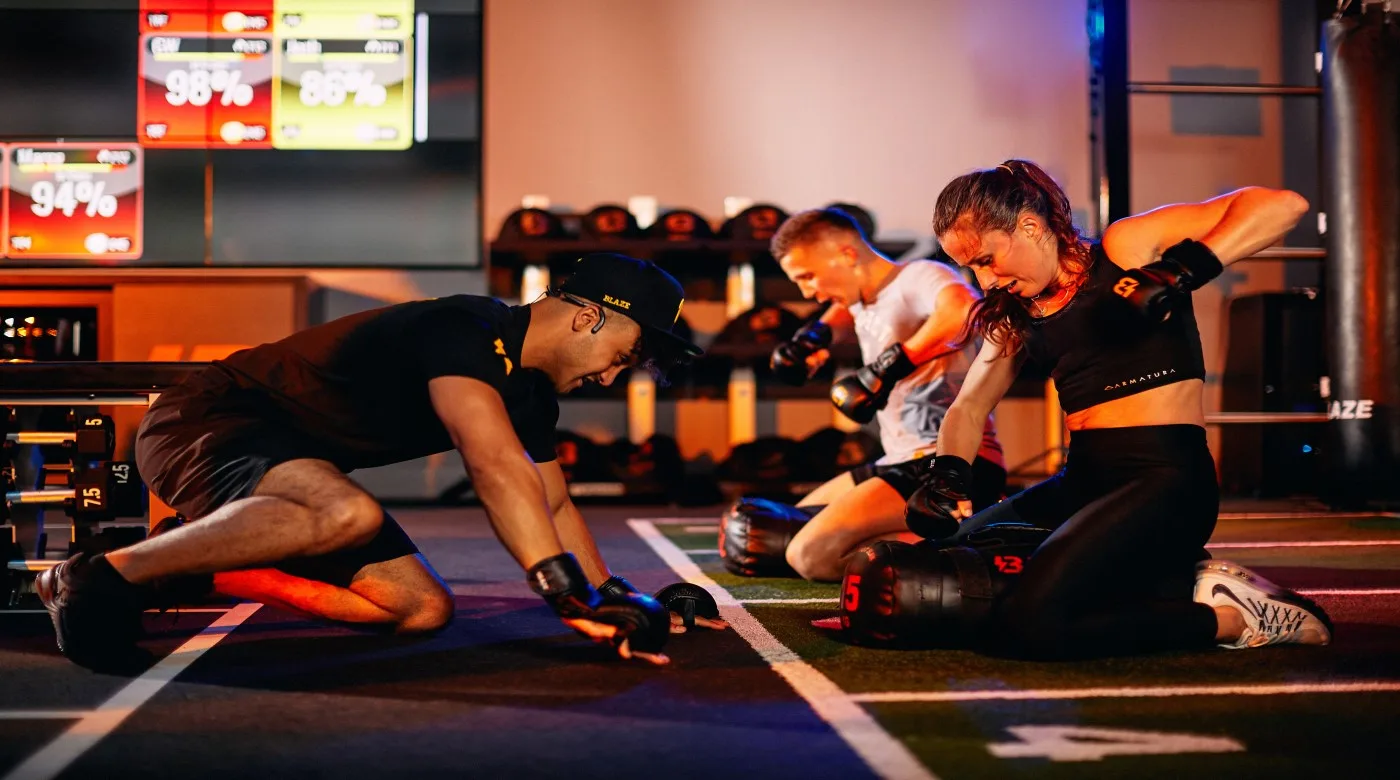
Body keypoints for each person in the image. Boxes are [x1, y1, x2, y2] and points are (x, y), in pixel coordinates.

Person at [38, 253, 728, 672]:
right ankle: (93, 575)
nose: (615, 377)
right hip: (207, 422)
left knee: (419, 608)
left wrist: (610, 596)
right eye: (627, 354)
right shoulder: (465, 328)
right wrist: (561, 592)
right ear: (590, 318)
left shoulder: (531, 397)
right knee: (342, 510)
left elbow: (551, 503)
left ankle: (200, 563)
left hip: (290, 468)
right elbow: (491, 464)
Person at [905, 159, 1331, 659]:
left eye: (987, 259)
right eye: (970, 268)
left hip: (1163, 481)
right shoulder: (1017, 312)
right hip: (1082, 483)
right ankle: (1170, 582)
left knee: (1032, 624)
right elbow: (970, 406)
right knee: (939, 570)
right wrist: (946, 476)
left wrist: (1179, 271)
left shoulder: (1124, 246)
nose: (985, 280)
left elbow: (1282, 206)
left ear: (1029, 224)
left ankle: (1233, 618)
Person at [763, 207, 1006, 582]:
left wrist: (889, 366)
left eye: (808, 276)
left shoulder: (919, 276)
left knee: (810, 556)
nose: (807, 291)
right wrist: (813, 338)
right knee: (782, 534)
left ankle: (971, 540)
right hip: (897, 460)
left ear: (846, 255)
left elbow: (964, 311)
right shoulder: (863, 296)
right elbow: (848, 310)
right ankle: (935, 537)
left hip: (947, 464)